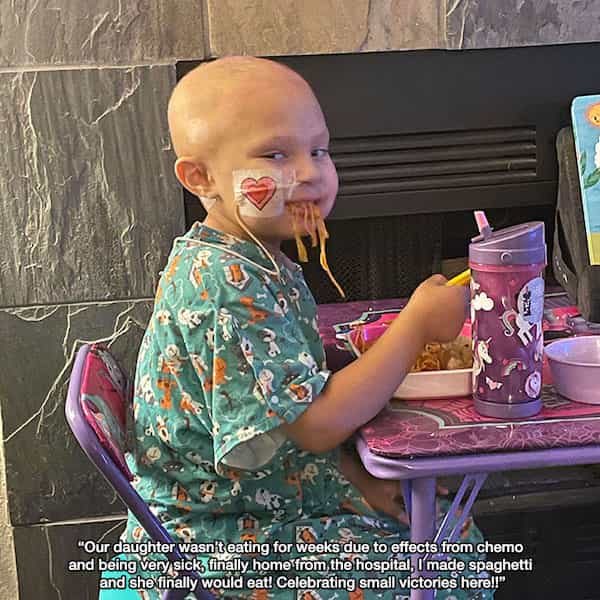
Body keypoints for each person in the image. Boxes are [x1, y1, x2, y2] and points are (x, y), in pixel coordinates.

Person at [101, 56, 493, 600]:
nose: (309, 172)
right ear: (201, 178)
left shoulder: (255, 258)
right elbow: (314, 423)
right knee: (451, 572)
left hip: (267, 497)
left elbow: (288, 397)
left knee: (454, 533)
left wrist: (353, 474)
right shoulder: (225, 285)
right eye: (276, 154)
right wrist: (416, 325)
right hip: (215, 544)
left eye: (320, 150)